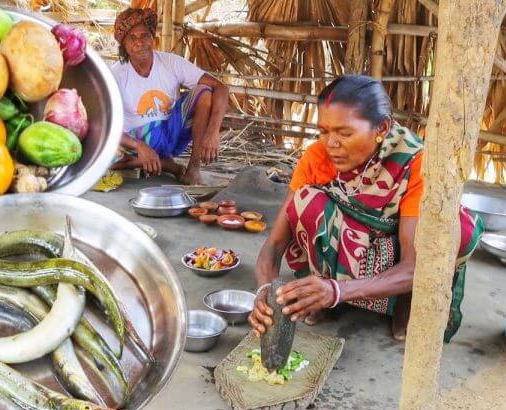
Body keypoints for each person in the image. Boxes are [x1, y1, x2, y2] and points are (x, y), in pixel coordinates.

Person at [248, 75, 484, 342]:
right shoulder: (318, 157)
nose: (331, 144)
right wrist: (264, 292)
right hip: (353, 245)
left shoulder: (415, 163)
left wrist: (338, 291)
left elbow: (416, 265)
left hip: (396, 258)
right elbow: (275, 243)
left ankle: (400, 303)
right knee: (306, 202)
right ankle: (321, 294)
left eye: (344, 133)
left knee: (450, 233)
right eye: (324, 131)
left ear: (381, 127)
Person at [110, 7, 229, 185]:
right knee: (104, 161)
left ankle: (193, 168)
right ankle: (169, 167)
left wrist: (212, 132)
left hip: (172, 133)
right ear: (124, 45)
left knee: (204, 92)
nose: (139, 43)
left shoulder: (171, 62)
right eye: (132, 38)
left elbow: (221, 88)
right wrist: (139, 146)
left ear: (153, 39)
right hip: (138, 140)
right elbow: (105, 125)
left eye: (145, 36)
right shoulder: (115, 74)